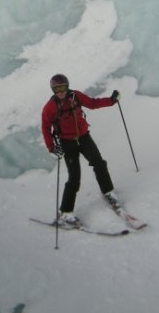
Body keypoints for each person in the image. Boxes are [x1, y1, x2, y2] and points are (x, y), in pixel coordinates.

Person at [41, 74, 121, 227]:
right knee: (74, 176)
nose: (60, 91)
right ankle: (65, 213)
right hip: (67, 142)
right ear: (52, 90)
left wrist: (111, 101)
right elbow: (45, 127)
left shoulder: (76, 96)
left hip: (84, 137)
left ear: (67, 86)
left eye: (63, 87)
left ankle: (108, 192)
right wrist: (51, 147)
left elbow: (92, 103)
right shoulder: (50, 107)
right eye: (57, 89)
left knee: (99, 163)